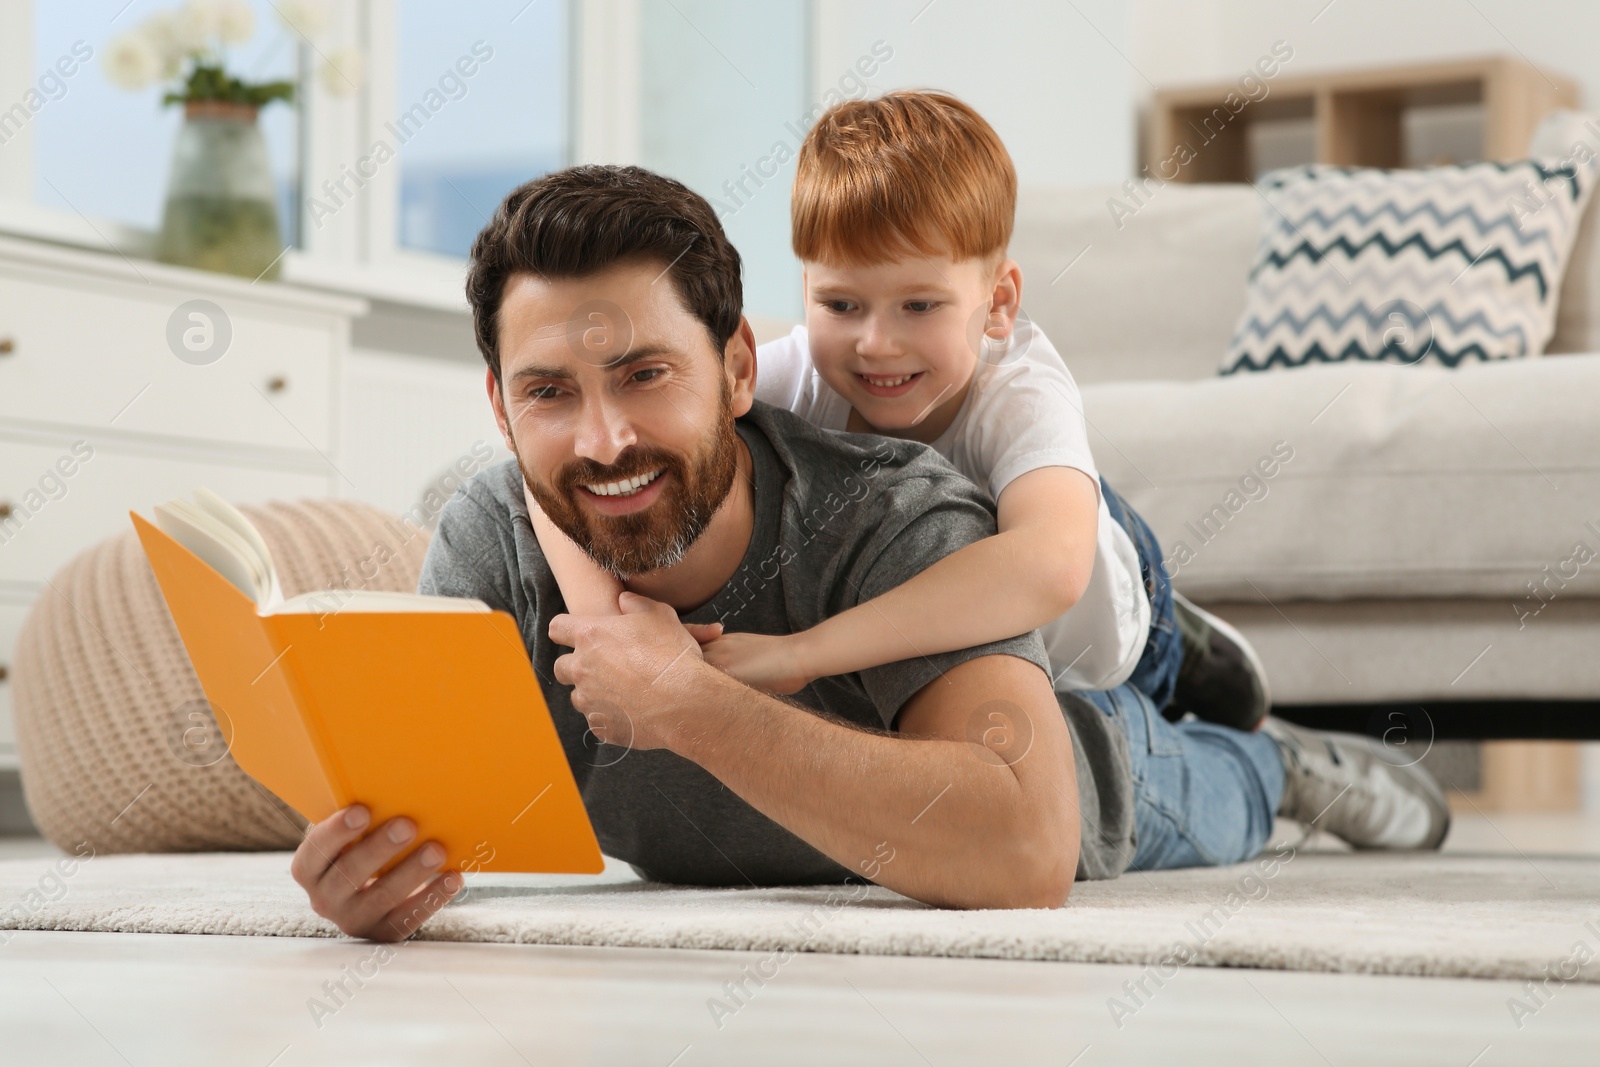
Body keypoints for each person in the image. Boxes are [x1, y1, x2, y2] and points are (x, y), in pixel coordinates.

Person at [289, 165, 1450, 942]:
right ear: (499, 405)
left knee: (1214, 783)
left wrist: (689, 701)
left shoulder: (900, 513)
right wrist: (372, 876)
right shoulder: (493, 532)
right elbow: (433, 822)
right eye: (550, 392)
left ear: (740, 368)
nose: (604, 440)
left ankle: (1282, 759)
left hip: (1105, 766)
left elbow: (1027, 846)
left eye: (647, 374)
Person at [527, 90, 1269, 732]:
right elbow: (564, 465)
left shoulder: (1020, 388)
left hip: (1101, 614)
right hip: (973, 630)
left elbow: (1049, 569)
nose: (876, 344)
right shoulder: (787, 373)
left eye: (919, 304)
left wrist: (801, 653)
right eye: (841, 304)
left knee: (1166, 695)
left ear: (998, 304)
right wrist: (611, 627)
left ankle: (1195, 637)